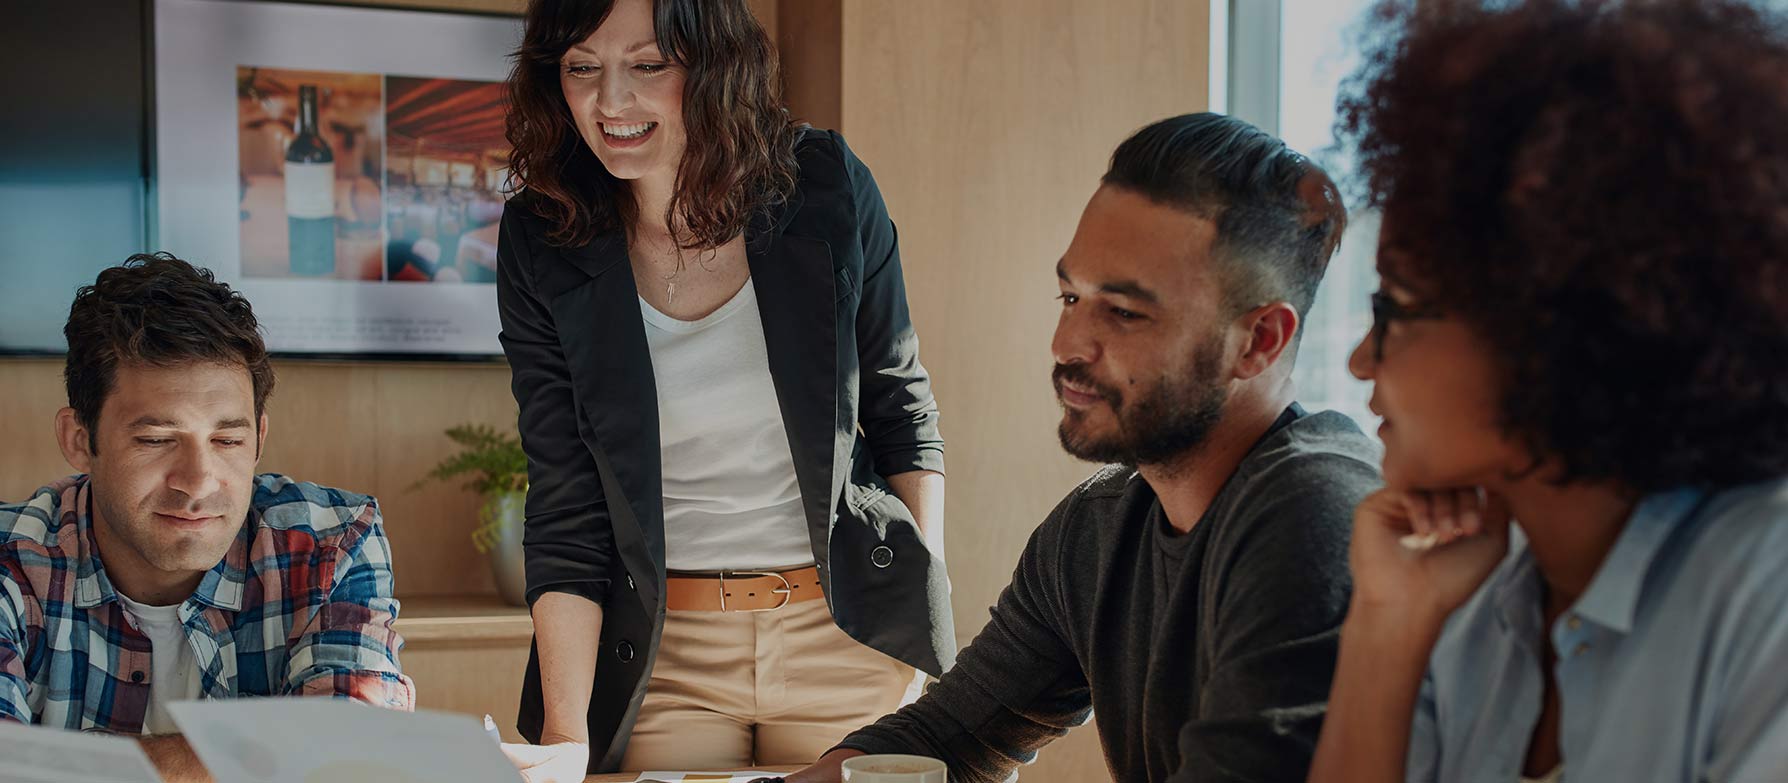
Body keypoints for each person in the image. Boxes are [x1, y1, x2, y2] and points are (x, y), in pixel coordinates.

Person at [788, 113, 1381, 783]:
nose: (1066, 344)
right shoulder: (1098, 529)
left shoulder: (1314, 519)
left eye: (1123, 312)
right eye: (1070, 296)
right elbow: (947, 734)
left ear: (1259, 340)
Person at [1309, 2, 1788, 781]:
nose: (1363, 361)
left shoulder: (1767, 597)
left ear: (1558, 328)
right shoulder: (1466, 604)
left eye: (1394, 308)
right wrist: (1383, 626)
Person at [494, 0, 951, 778]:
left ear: (713, 62)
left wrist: (920, 615)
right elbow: (565, 498)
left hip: (846, 635)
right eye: (581, 68)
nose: (610, 101)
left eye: (647, 65)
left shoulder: (824, 185)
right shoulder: (542, 238)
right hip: (665, 657)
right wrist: (566, 738)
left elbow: (901, 411)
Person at [0, 253, 412, 782]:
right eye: (156, 440)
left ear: (259, 439)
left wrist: (54, 764)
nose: (198, 481)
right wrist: (272, 752)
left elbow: (351, 758)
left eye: (227, 440)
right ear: (80, 440)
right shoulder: (14, 560)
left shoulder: (332, 544)